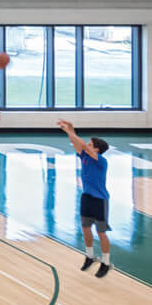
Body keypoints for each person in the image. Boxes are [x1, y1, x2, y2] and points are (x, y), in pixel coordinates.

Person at [59, 119, 113, 278]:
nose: (87, 146)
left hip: (100, 200)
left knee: (101, 232)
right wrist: (71, 129)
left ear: (97, 149)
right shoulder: (84, 156)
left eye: (90, 144)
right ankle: (90, 256)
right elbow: (77, 143)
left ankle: (106, 263)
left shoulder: (101, 161)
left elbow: (82, 145)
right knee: (86, 228)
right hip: (86, 197)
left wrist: (68, 131)